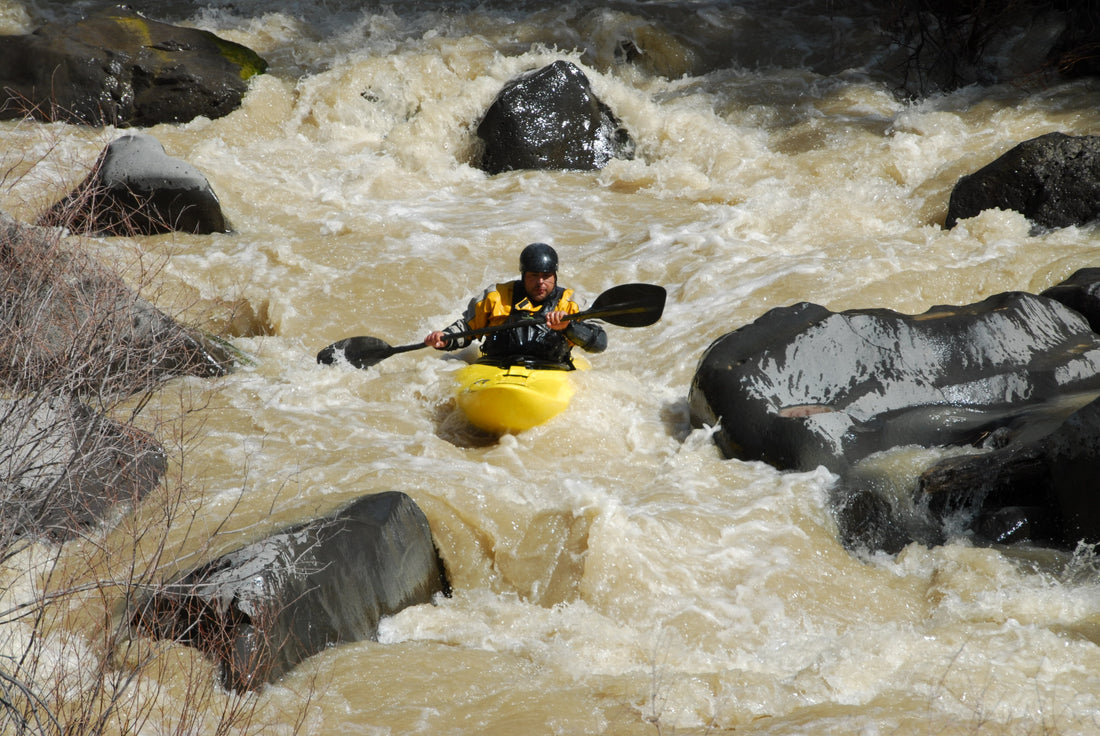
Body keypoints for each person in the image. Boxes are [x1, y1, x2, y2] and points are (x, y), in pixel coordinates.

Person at [424, 242, 607, 368]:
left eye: (546, 276)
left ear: (555, 276)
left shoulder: (570, 303)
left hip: (551, 369)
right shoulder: (496, 296)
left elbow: (599, 343)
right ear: (523, 275)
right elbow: (467, 327)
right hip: (496, 366)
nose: (540, 282)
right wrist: (445, 338)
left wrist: (569, 327)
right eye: (533, 276)